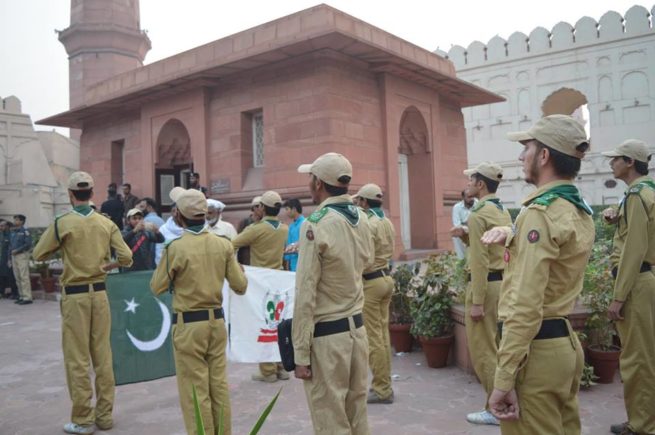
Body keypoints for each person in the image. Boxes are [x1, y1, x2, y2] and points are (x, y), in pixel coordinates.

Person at [481, 115, 594, 434]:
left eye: (526, 148)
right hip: (563, 346)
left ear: (544, 155)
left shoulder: (538, 214)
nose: (520, 157)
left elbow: (524, 305)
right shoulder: (575, 207)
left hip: (535, 354)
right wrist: (514, 232)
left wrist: (503, 380)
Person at [32, 171, 133, 435]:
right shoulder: (105, 223)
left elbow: (39, 252)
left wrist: (66, 248)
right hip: (99, 293)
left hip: (75, 296)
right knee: (103, 356)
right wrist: (107, 265)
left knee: (77, 359)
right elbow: (126, 257)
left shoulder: (62, 223)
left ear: (70, 194)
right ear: (92, 193)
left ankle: (83, 419)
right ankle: (105, 417)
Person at [150, 186, 247, 435]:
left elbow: (156, 287)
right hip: (216, 322)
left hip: (188, 325)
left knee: (195, 391)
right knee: (218, 386)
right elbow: (240, 286)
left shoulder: (175, 248)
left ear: (179, 216)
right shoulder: (223, 244)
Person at [293, 152, 373, 434]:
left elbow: (305, 292)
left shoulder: (315, 222)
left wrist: (300, 353)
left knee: (330, 421)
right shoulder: (362, 218)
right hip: (357, 332)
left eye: (310, 179)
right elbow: (368, 260)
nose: (308, 185)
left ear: (318, 183)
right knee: (357, 416)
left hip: (328, 338)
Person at [600, 139, 655, 435]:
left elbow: (634, 249)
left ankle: (642, 425)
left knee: (637, 359)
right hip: (647, 280)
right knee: (648, 354)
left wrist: (618, 298)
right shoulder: (648, 190)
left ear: (630, 162)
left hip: (636, 282)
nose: (611, 163)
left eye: (615, 159)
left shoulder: (636, 195)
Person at [453, 162, 512, 426]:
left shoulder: (478, 215)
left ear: (480, 184)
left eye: (471, 180)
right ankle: (503, 400)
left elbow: (479, 261)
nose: (467, 185)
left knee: (483, 350)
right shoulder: (501, 210)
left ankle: (494, 407)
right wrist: (467, 237)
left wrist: (476, 302)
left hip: (485, 287)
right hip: (502, 284)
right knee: (497, 346)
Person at [232, 191, 289, 382]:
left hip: (261, 281)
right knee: (280, 323)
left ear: (262, 208)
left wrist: (234, 264)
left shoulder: (257, 229)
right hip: (279, 279)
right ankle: (281, 366)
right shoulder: (284, 228)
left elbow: (232, 244)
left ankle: (267, 370)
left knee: (263, 324)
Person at [354, 183, 396, 405]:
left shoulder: (368, 225)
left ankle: (381, 388)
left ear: (363, 202)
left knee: (373, 338)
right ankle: (385, 384)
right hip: (386, 278)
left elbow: (364, 258)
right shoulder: (386, 221)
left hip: (371, 282)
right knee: (382, 334)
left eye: (358, 201)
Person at [10, 214, 33, 305]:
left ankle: (27, 297)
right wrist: (9, 256)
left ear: (21, 221)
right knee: (17, 277)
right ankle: (21, 296)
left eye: (16, 220)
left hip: (22, 255)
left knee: (24, 276)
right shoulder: (13, 232)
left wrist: (17, 250)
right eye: (14, 219)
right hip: (13, 256)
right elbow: (10, 245)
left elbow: (28, 244)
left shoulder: (25, 231)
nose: (14, 221)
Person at [236, 196, 261, 266]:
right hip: (247, 261)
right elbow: (238, 242)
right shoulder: (244, 222)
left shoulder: (264, 223)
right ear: (254, 208)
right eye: (258, 206)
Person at [451, 190, 476, 259]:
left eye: (473, 197)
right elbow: (457, 225)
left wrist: (466, 223)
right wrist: (469, 224)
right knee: (456, 235)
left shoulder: (478, 204)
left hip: (476, 231)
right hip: (463, 232)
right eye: (469, 197)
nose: (472, 199)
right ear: (463, 197)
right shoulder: (457, 207)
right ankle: (461, 259)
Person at [282, 198, 305, 271]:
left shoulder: (305, 223)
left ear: (294, 209)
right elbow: (288, 246)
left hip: (302, 264)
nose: (286, 212)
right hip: (292, 265)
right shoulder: (291, 226)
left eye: (287, 209)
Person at [0, 220, 19, 299]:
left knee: (10, 276)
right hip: (2, 259)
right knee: (2, 276)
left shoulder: (11, 235)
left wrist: (9, 259)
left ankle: (14, 293)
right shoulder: (1, 235)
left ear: (7, 226)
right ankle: (2, 292)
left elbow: (12, 247)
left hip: (9, 258)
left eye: (2, 226)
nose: (0, 227)